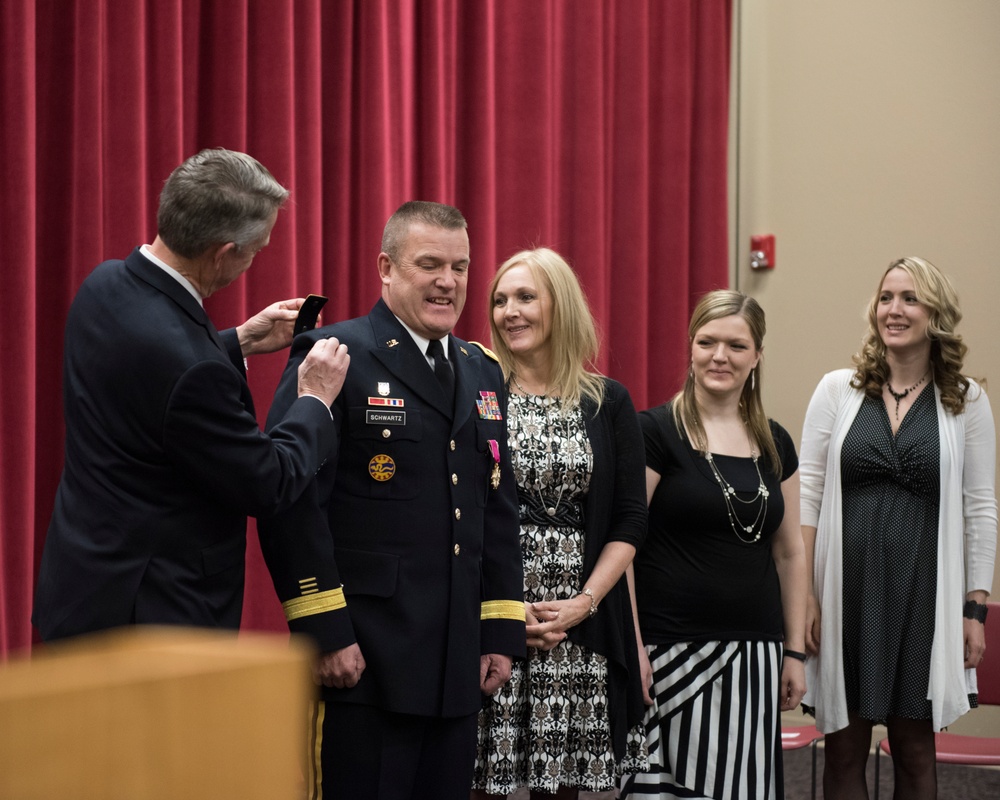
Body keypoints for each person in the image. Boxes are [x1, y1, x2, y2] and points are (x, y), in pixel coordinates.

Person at [257, 201, 525, 800]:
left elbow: (495, 508)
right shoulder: (333, 355)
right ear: (386, 266)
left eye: (459, 267)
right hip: (364, 659)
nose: (447, 282)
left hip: (455, 664)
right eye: (429, 264)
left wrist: (500, 633)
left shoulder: (481, 370)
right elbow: (292, 502)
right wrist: (324, 629)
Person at [33, 148, 350, 641]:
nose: (253, 259)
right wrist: (314, 398)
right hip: (152, 624)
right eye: (256, 249)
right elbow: (268, 482)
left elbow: (149, 380)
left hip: (80, 595)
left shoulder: (104, 284)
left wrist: (238, 339)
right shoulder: (192, 370)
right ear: (224, 252)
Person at [799, 256, 997, 799]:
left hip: (923, 600)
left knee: (914, 749)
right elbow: (808, 496)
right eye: (886, 297)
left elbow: (981, 509)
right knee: (842, 748)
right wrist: (805, 598)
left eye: (910, 298)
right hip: (846, 594)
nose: (894, 309)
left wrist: (973, 611)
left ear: (935, 313)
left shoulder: (965, 401)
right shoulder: (838, 390)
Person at [472, 248, 649, 800]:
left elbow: (629, 518)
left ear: (562, 306)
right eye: (500, 300)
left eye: (526, 297)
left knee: (559, 789)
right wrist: (501, 608)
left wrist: (583, 604)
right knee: (484, 784)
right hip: (494, 615)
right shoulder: (478, 394)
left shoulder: (608, 400)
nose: (510, 312)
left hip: (580, 620)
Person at [622, 289, 807, 800]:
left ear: (757, 356)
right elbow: (624, 547)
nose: (719, 356)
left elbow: (790, 552)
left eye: (736, 345)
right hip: (669, 652)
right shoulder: (654, 431)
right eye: (707, 342)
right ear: (690, 347)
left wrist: (794, 651)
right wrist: (632, 645)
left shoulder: (776, 442)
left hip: (755, 651)